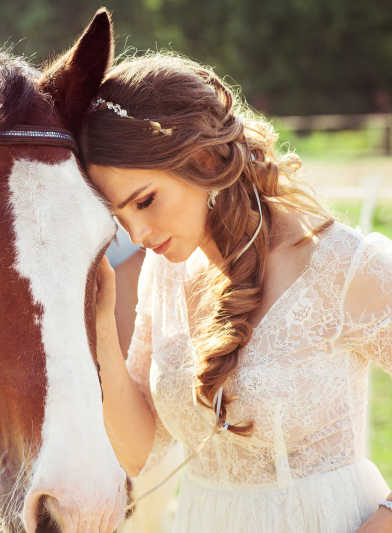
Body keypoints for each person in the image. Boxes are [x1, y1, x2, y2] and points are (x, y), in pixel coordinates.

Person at [83, 52, 392, 533]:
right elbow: (142, 452)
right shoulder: (164, 274)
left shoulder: (342, 265)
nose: (139, 234)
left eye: (145, 201)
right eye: (121, 219)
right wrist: (102, 327)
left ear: (203, 159)